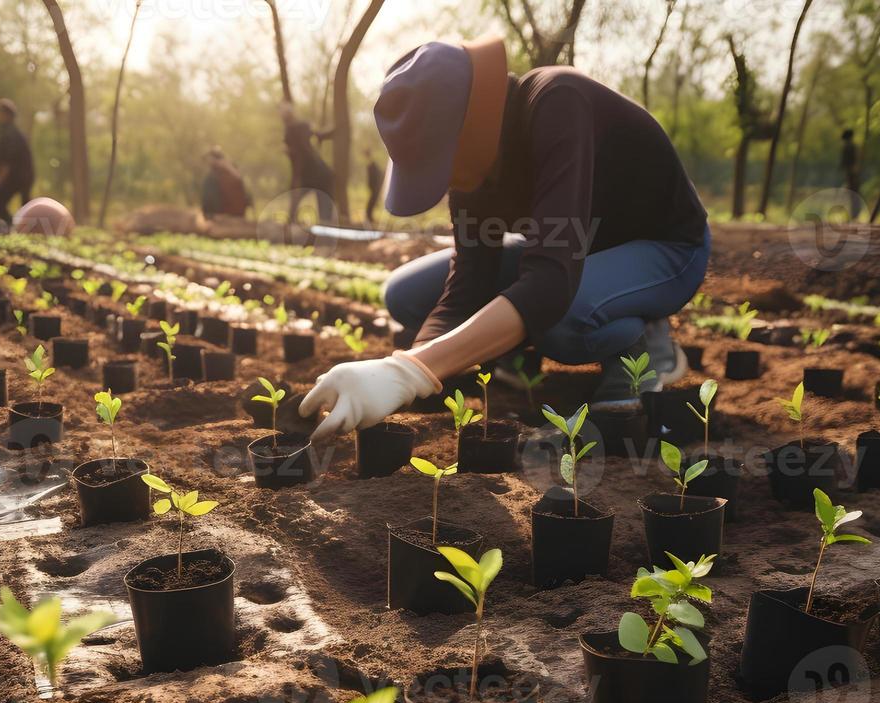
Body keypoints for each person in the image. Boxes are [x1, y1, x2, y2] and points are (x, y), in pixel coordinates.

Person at [300, 37, 709, 438]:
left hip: (666, 251)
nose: (444, 184)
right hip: (571, 251)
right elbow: (468, 284)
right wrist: (407, 371)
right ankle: (516, 346)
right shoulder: (473, 169)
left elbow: (549, 284)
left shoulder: (559, 102)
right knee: (406, 294)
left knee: (559, 318)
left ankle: (647, 343)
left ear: (469, 125)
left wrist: (409, 373)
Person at [281, 102, 336, 226]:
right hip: (320, 173)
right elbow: (319, 135)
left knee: (319, 205)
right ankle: (293, 223)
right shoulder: (303, 126)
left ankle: (293, 223)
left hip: (315, 173)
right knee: (301, 199)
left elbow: (297, 156)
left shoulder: (293, 129)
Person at [0, 98, 34, 224]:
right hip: (23, 176)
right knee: (25, 208)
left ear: (6, 114)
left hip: (19, 176)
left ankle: (13, 228)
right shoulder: (10, 131)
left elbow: (9, 161)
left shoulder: (11, 134)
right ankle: (18, 229)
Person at [200, 146, 250, 220]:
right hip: (237, 213)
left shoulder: (214, 176)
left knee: (209, 182)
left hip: (223, 214)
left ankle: (211, 215)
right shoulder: (231, 167)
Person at [840, 129, 861, 219]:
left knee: (852, 192)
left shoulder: (849, 147)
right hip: (851, 172)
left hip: (851, 172)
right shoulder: (852, 146)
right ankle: (853, 213)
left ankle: (854, 214)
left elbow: (847, 160)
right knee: (852, 192)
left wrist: (852, 170)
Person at [364, 150, 384, 224]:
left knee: (372, 202)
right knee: (371, 202)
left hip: (374, 187)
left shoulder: (373, 164)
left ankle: (369, 216)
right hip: (373, 187)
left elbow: (376, 176)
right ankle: (368, 216)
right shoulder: (371, 164)